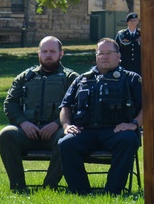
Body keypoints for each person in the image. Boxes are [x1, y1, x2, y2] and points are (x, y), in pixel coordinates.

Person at [58, 38, 143, 195]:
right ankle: (80, 191)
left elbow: (148, 107)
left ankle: (113, 191)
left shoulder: (132, 79)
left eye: (109, 53)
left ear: (119, 56)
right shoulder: (82, 79)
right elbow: (65, 106)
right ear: (96, 56)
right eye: (101, 53)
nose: (104, 56)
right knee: (66, 143)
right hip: (86, 132)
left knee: (129, 139)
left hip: (116, 132)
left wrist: (134, 124)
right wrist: (66, 126)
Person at [0, 36, 78, 192]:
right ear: (38, 54)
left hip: (55, 132)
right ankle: (18, 187)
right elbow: (10, 103)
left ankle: (49, 186)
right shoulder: (25, 77)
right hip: (27, 132)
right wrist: (22, 123)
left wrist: (56, 124)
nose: (48, 55)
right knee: (6, 134)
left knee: (68, 139)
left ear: (61, 54)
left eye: (52, 51)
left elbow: (78, 106)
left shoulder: (71, 78)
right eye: (44, 51)